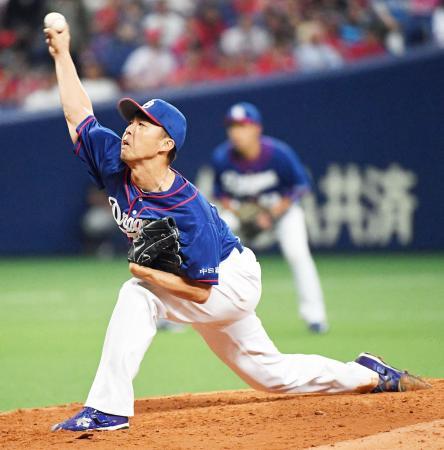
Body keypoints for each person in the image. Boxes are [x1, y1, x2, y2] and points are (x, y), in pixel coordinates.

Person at [44, 21, 429, 433]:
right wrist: (62, 54)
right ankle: (368, 373)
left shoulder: (186, 208)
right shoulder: (113, 161)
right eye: (131, 120)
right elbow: (78, 115)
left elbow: (201, 291)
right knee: (271, 375)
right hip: (203, 283)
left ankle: (108, 409)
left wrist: (151, 275)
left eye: (143, 124)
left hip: (229, 281)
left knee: (138, 294)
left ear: (166, 144)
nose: (129, 129)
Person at [211, 102, 328, 334]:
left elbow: (300, 186)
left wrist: (272, 214)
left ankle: (315, 316)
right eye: (232, 126)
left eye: (242, 126)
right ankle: (191, 312)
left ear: (257, 128)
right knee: (212, 240)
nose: (236, 132)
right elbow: (220, 194)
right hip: (244, 215)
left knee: (297, 253)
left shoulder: (279, 154)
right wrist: (238, 213)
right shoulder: (222, 157)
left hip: (282, 213)